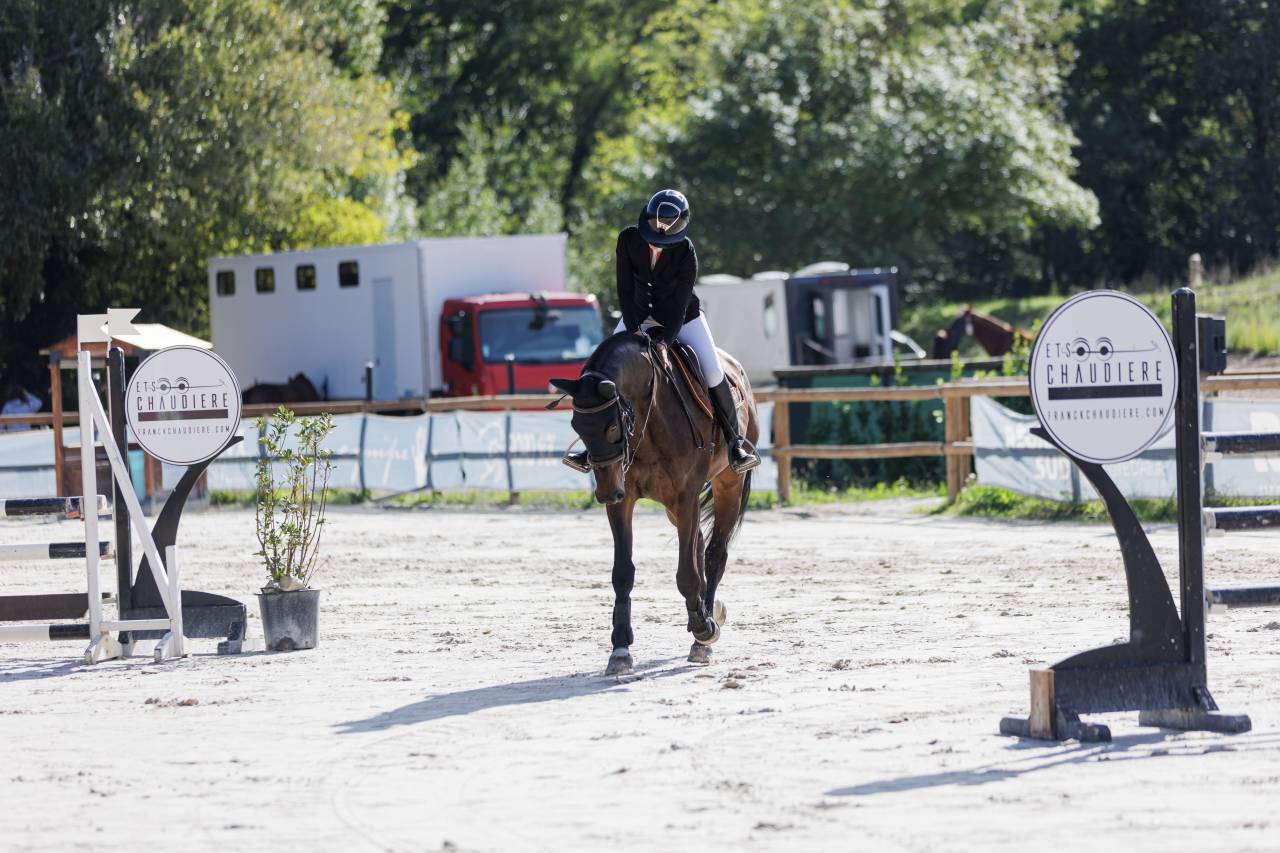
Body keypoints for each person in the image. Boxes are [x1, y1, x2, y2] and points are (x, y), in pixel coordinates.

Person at [566, 189, 760, 474]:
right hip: (638, 317)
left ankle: (734, 445)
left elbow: (680, 303)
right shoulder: (628, 239)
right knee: (599, 369)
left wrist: (665, 341)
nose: (656, 241)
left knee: (713, 371)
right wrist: (633, 333)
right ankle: (588, 447)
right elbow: (624, 288)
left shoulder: (686, 251)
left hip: (682, 319)